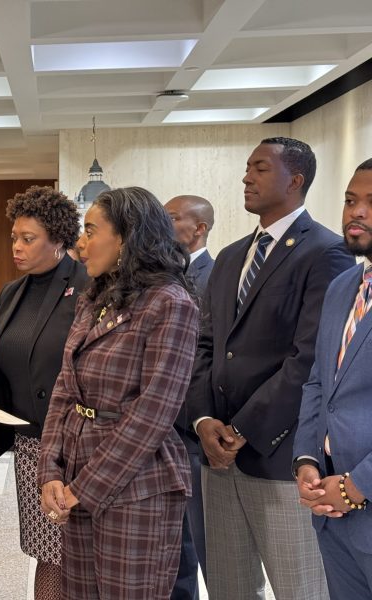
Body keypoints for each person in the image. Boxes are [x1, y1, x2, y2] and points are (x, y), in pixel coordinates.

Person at [186, 137, 354, 600]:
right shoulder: (230, 256)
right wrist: (203, 421)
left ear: (295, 180)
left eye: (259, 168)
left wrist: (242, 428)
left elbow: (309, 360)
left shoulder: (325, 253)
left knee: (299, 587)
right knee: (227, 587)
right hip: (217, 456)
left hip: (280, 457)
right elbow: (205, 345)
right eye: (247, 168)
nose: (246, 177)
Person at [37, 187, 199, 599]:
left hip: (137, 488)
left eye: (91, 230)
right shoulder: (96, 299)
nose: (81, 243)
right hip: (77, 472)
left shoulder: (170, 303)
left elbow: (152, 415)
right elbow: (64, 391)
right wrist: (51, 472)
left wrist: (82, 488)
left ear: (127, 238)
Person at [0, 186, 88, 600]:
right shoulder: (13, 291)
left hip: (76, 442)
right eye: (14, 236)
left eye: (27, 239)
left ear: (58, 240)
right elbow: (11, 358)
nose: (16, 246)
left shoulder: (88, 287)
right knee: (45, 550)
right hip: (30, 442)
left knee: (75, 553)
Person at [294, 158, 372, 599]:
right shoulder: (344, 285)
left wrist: (355, 486)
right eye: (349, 200)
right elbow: (319, 382)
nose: (355, 212)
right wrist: (306, 459)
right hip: (330, 509)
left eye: (370, 203)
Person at [164, 194, 215, 599]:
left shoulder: (215, 277)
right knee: (169, 542)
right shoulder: (163, 278)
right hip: (160, 430)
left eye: (172, 219)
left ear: (198, 229)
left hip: (191, 430)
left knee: (190, 543)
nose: (163, 226)